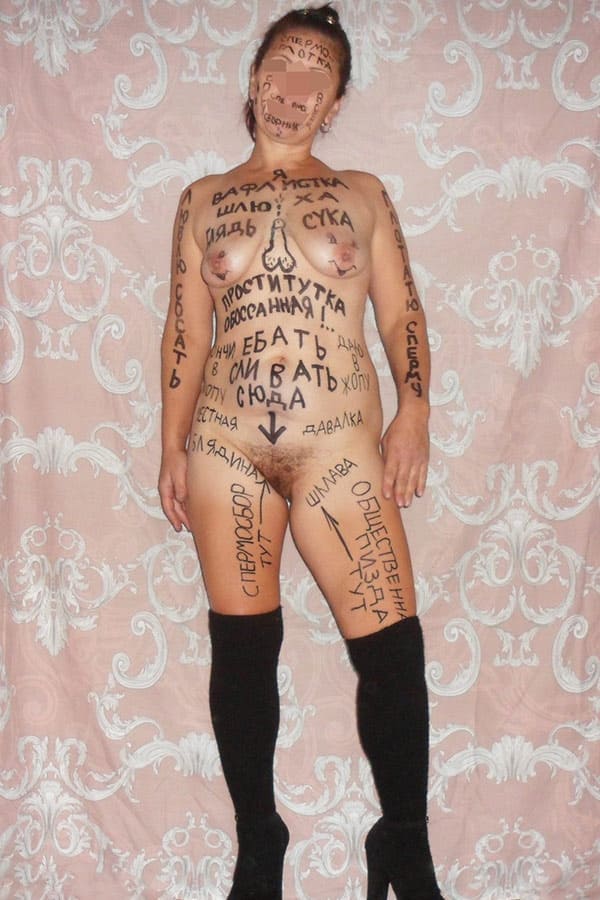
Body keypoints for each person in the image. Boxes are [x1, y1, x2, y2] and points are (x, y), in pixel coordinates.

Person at [159, 5, 443, 898]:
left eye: (317, 75)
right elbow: (185, 334)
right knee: (243, 650)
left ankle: (403, 842)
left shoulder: (363, 192)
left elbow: (400, 312)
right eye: (282, 67)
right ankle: (260, 844)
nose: (294, 88)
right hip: (226, 448)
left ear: (337, 101)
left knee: (391, 649)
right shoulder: (203, 199)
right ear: (255, 80)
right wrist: (169, 445)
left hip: (338, 451)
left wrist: (415, 411)